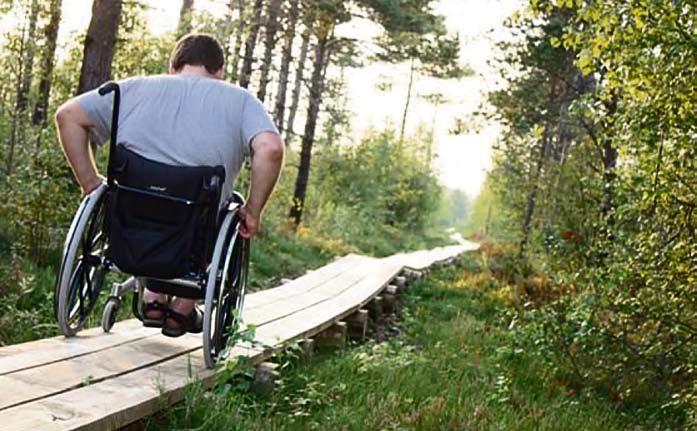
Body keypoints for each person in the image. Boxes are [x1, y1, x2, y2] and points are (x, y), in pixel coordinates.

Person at [55, 34, 284, 337]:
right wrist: (253, 210)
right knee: (220, 207)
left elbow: (67, 115)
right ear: (220, 70)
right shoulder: (240, 100)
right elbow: (271, 149)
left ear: (173, 65)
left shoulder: (133, 88)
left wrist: (91, 184)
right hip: (195, 223)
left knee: (145, 199)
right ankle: (182, 309)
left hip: (129, 216)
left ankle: (153, 298)